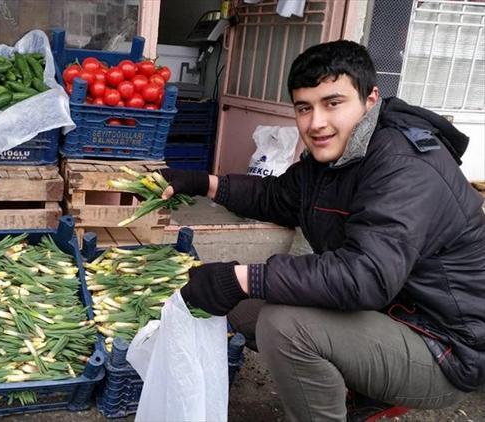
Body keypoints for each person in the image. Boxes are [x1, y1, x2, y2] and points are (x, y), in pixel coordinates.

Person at [160, 40, 485, 421]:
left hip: (443, 346)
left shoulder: (405, 167)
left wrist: (241, 277)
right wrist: (203, 182)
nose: (316, 123)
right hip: (387, 312)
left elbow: (365, 276)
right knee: (244, 309)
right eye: (304, 108)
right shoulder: (334, 156)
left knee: (285, 326)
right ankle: (354, 386)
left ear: (370, 98)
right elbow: (277, 197)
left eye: (333, 103)